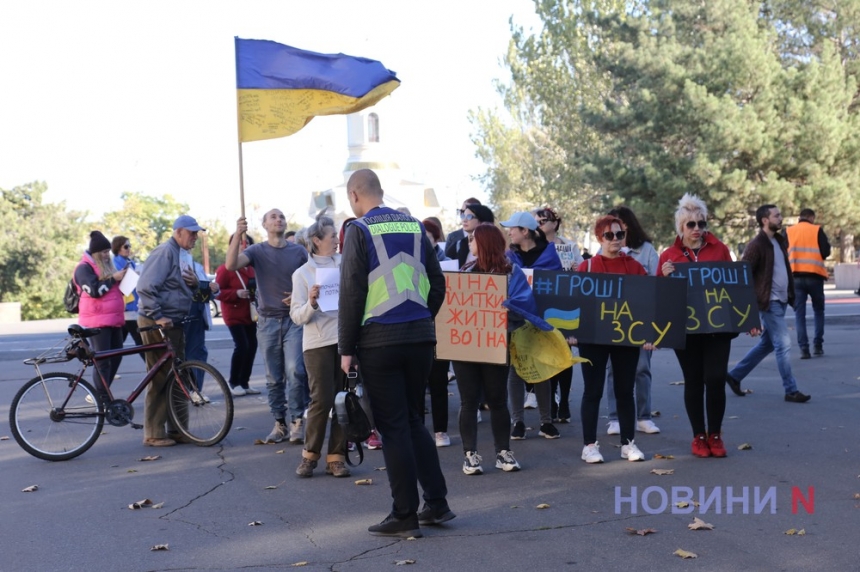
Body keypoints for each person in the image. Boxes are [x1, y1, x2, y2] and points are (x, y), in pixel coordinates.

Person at [338, 169, 453, 538]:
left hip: (379, 341)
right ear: (380, 192)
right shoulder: (416, 227)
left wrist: (345, 348)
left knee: (392, 427)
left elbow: (352, 293)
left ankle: (404, 514)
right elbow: (438, 283)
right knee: (414, 421)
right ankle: (436, 503)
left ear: (355, 195)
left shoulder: (358, 230)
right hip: (420, 338)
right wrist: (422, 318)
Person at [658, 194, 735, 458]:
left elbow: (736, 286)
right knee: (693, 380)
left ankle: (715, 433)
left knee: (715, 379)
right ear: (681, 227)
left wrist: (748, 319)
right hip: (686, 328)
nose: (697, 229)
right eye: (691, 224)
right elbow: (660, 295)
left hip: (717, 327)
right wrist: (666, 277)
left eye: (701, 223)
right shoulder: (669, 256)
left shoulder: (720, 249)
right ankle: (698, 436)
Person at [226, 209, 310, 444]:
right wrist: (237, 234)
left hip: (294, 320)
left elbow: (313, 277)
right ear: (264, 224)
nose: (278, 219)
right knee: (274, 378)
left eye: (281, 216)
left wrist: (298, 293)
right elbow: (231, 264)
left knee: (296, 371)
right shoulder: (256, 251)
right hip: (267, 322)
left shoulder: (299, 251)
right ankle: (279, 423)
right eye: (273, 217)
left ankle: (297, 422)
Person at [574, 215, 651, 464]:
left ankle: (628, 443)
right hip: (593, 338)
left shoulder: (636, 267)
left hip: (625, 336)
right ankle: (589, 446)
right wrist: (571, 333)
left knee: (624, 391)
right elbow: (574, 304)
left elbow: (648, 303)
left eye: (620, 234)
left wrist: (649, 334)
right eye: (609, 235)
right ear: (599, 238)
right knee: (592, 391)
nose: (616, 239)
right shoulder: (586, 267)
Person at [726, 205, 811, 403]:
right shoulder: (757, 245)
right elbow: (744, 272)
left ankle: (735, 375)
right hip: (768, 302)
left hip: (781, 300)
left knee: (768, 344)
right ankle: (791, 390)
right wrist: (749, 308)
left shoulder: (779, 241)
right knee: (783, 344)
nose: (781, 218)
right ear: (765, 220)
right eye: (777, 215)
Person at [454, 223, 521, 475]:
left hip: (495, 343)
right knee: (469, 401)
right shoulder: (463, 272)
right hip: (465, 345)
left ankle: (503, 452)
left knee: (497, 399)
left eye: (472, 239)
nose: (468, 243)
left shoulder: (512, 273)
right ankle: (470, 455)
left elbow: (524, 309)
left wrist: (507, 311)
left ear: (483, 244)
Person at [136, 215, 204, 447]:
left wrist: (196, 284)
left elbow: (181, 288)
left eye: (197, 233)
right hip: (158, 322)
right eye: (192, 233)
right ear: (178, 232)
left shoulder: (182, 254)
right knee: (160, 377)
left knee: (178, 375)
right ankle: (154, 433)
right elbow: (145, 287)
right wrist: (158, 316)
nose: (195, 237)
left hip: (174, 322)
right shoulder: (165, 252)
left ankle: (178, 429)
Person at [291, 215, 349, 478]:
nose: (337, 240)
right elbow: (296, 316)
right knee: (321, 400)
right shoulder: (302, 274)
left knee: (342, 400)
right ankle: (309, 456)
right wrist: (312, 302)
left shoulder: (345, 265)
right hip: (316, 343)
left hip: (344, 339)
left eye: (337, 236)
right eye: (332, 236)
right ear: (317, 240)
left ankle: (336, 458)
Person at [501, 211, 563, 441]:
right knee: (515, 370)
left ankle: (546, 422)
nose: (509, 232)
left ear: (524, 231)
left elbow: (557, 288)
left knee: (542, 369)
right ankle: (518, 421)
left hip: (541, 320)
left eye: (512, 228)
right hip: (515, 321)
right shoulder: (508, 257)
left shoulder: (550, 256)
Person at [604, 206, 660, 436]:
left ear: (627, 226)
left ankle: (643, 416)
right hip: (613, 319)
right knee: (612, 370)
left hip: (641, 319)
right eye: (610, 231)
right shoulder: (604, 249)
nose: (615, 234)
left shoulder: (646, 251)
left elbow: (658, 285)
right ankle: (615, 417)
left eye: (619, 228)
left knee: (642, 368)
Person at [533, 207, 581, 424]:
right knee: (546, 353)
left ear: (555, 222)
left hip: (566, 302)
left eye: (544, 220)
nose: (541, 224)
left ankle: (564, 402)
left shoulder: (569, 246)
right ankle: (550, 401)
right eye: (537, 221)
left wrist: (575, 268)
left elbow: (582, 271)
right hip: (544, 303)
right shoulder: (535, 247)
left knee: (565, 352)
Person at [75, 231, 128, 401]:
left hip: (114, 319)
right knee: (103, 362)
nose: (107, 255)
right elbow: (95, 291)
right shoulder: (83, 268)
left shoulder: (107, 266)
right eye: (104, 253)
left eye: (108, 252)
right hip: (96, 322)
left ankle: (101, 393)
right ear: (96, 253)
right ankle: (101, 398)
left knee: (117, 357)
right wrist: (114, 279)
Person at [215, 234, 261, 396]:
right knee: (242, 346)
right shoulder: (225, 269)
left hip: (250, 313)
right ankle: (233, 382)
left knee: (252, 346)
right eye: (241, 243)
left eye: (247, 243)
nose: (244, 246)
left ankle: (244, 382)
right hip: (233, 314)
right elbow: (217, 292)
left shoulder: (252, 268)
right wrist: (236, 293)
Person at [785, 208, 831, 359]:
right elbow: (826, 252)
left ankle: (804, 349)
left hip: (795, 276)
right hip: (815, 275)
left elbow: (782, 252)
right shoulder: (817, 230)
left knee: (800, 314)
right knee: (818, 310)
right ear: (811, 217)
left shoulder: (789, 231)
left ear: (800, 217)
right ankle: (818, 345)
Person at [423, 217, 452, 447]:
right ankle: (419, 430)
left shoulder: (449, 264)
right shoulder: (410, 262)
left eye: (428, 236)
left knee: (439, 381)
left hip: (442, 329)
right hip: (417, 329)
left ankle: (440, 430)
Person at [182, 254, 219, 395]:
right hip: (182, 313)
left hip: (197, 314)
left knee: (198, 353)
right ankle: (186, 389)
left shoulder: (196, 265)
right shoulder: (172, 263)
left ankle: (195, 390)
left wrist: (213, 289)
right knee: (184, 355)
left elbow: (205, 289)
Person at [111, 235, 143, 358]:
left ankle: (108, 372)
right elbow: (119, 283)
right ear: (118, 248)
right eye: (126, 246)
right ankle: (154, 371)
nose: (129, 249)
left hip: (132, 306)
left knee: (117, 346)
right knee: (140, 341)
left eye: (129, 246)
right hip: (125, 307)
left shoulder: (130, 262)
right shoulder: (115, 263)